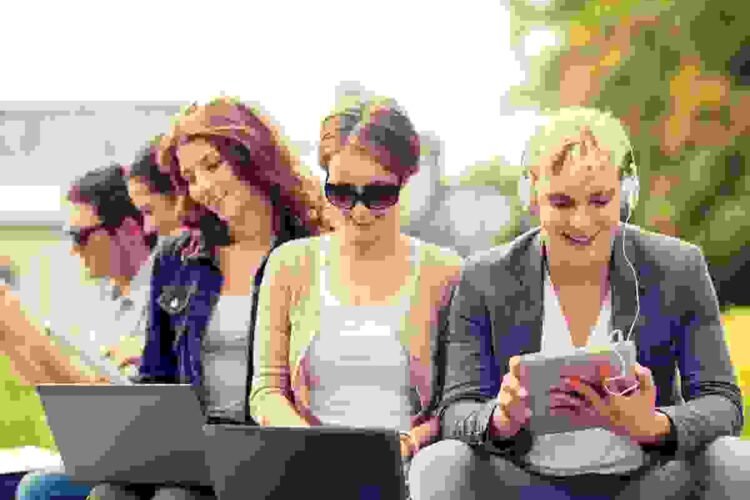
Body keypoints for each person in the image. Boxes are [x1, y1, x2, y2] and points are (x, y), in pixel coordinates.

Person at [407, 107, 748, 500]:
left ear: (626, 193)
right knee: (439, 463)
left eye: (600, 200)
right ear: (532, 197)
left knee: (735, 459)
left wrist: (654, 425)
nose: (582, 222)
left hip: (648, 482)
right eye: (561, 203)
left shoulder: (679, 266)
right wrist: (500, 419)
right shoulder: (484, 277)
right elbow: (456, 410)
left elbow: (723, 402)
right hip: (523, 483)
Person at [87, 97, 336, 500]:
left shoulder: (311, 252)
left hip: (267, 447)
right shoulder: (176, 258)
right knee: (107, 492)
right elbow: (156, 377)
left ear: (253, 157)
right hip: (190, 448)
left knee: (176, 497)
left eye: (212, 165)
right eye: (190, 177)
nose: (203, 187)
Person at [249, 97, 463, 491]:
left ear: (405, 181)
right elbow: (266, 391)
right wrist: (313, 448)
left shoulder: (446, 272)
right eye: (342, 193)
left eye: (378, 194)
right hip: (308, 469)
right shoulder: (289, 265)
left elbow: (457, 402)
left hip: (405, 472)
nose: (360, 211)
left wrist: (408, 444)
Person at [6, 164, 158, 500]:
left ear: (129, 230)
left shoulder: (157, 296)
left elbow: (105, 410)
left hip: (144, 461)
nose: (74, 250)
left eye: (80, 236)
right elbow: (70, 401)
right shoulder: (107, 297)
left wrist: (25, 332)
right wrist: (11, 336)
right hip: (117, 456)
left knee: (37, 489)